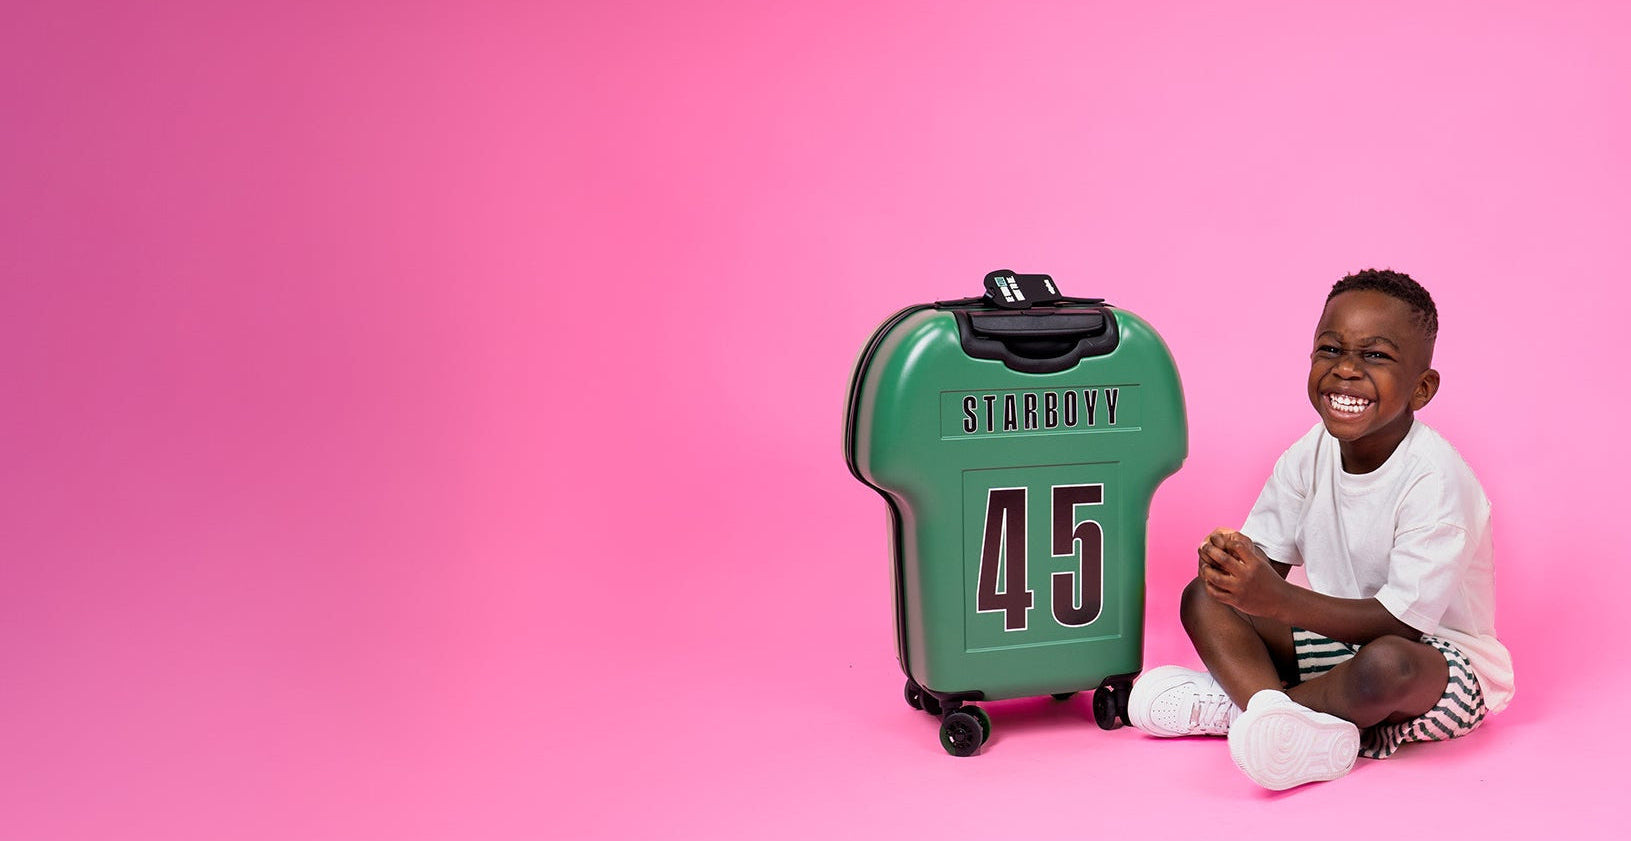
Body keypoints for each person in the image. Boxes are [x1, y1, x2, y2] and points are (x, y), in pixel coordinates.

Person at [1127, 269, 1514, 790]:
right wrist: (1232, 566)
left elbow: (1399, 626)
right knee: (1204, 596)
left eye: (1376, 356)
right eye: (1330, 349)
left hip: (1435, 667)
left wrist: (1275, 599)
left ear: (1421, 389)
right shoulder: (1308, 455)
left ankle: (1248, 711)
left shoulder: (1437, 480)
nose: (1347, 370)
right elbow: (1264, 570)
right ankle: (1280, 717)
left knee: (1386, 666)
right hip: (1338, 642)